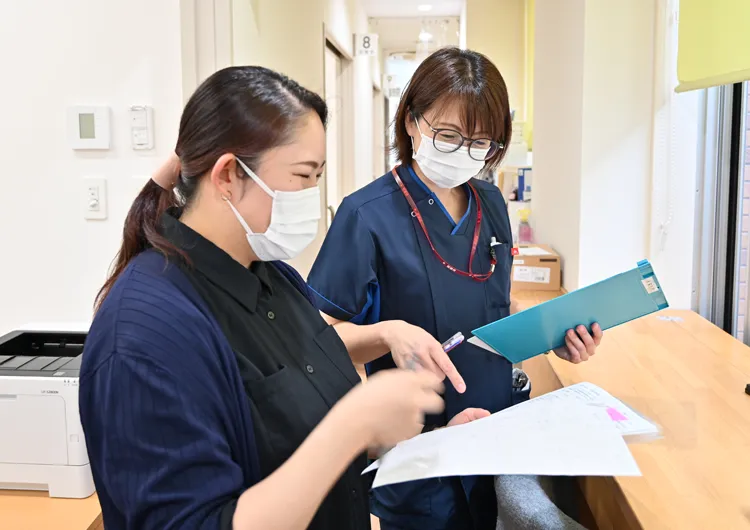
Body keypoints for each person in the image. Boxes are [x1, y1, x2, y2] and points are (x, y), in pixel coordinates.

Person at [78, 66, 450, 530]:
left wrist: (430, 443)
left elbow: (300, 429)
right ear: (229, 175)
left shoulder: (272, 277)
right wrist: (353, 424)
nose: (312, 196)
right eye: (302, 176)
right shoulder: (144, 334)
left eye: (318, 176)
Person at [307, 47, 604, 530]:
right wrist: (388, 334)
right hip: (421, 450)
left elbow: (497, 306)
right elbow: (317, 344)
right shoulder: (366, 215)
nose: (463, 152)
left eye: (481, 142)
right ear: (410, 122)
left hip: (496, 433)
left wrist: (558, 337)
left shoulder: (491, 202)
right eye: (448, 135)